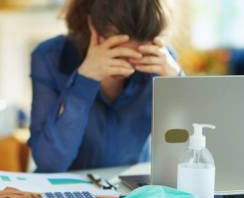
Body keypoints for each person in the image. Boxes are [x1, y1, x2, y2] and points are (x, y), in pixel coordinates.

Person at [28, 0, 182, 173]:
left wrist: (177, 83)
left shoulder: (161, 62)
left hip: (133, 193)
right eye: (118, 54)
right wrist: (84, 80)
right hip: (65, 191)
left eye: (139, 55)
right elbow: (50, 163)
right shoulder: (50, 57)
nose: (128, 67)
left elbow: (188, 152)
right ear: (92, 27)